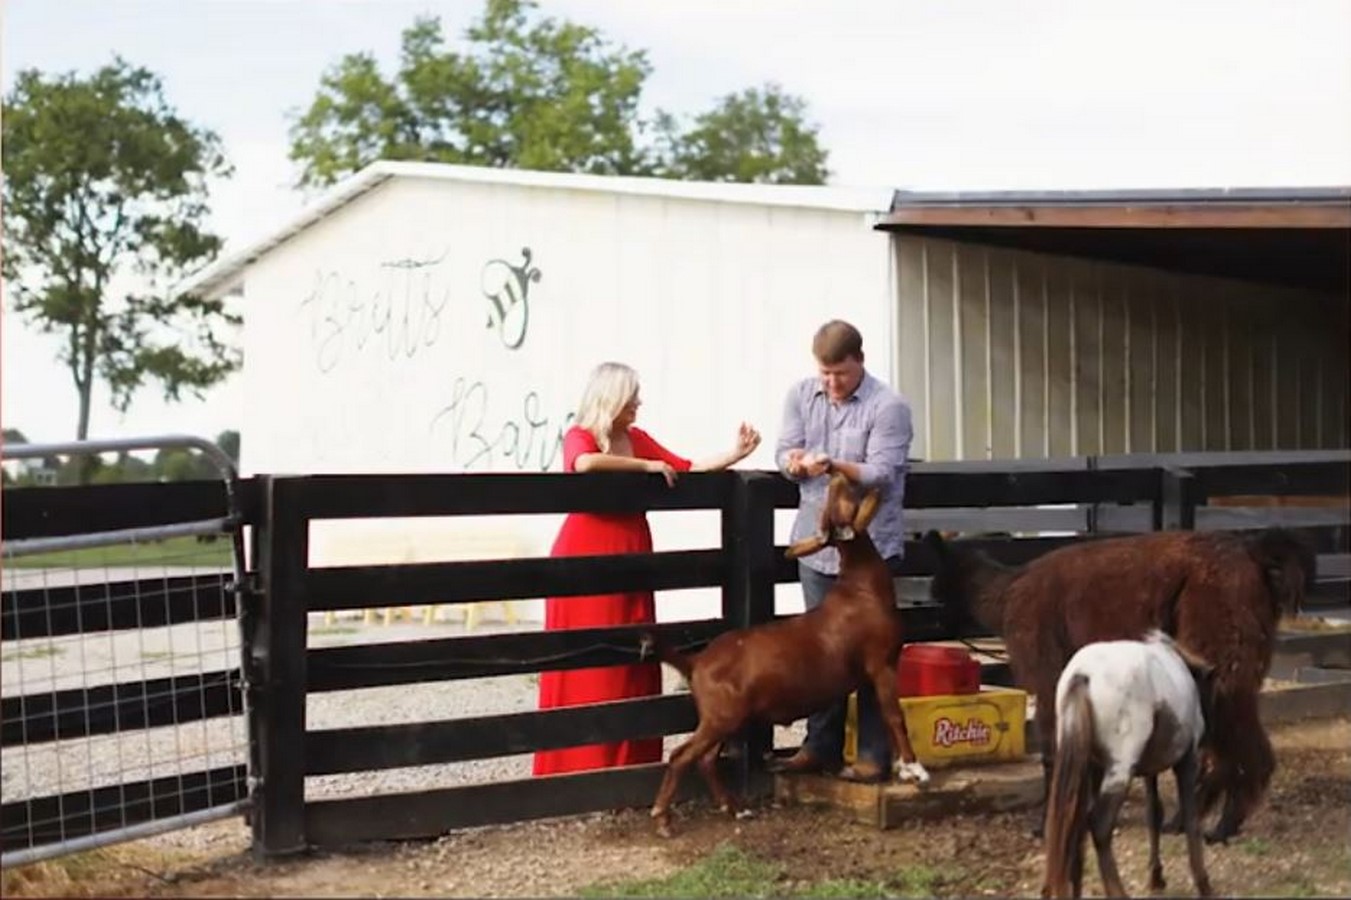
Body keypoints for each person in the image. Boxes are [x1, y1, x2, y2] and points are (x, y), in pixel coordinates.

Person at [533, 361, 762, 776]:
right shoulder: (581, 435)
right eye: (631, 396)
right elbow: (583, 463)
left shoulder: (636, 438)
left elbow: (687, 467)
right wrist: (645, 467)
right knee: (589, 657)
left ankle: (629, 762)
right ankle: (578, 762)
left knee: (632, 653)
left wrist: (735, 454)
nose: (638, 402)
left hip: (633, 549)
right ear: (611, 399)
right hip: (586, 552)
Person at [773, 319, 914, 783]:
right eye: (825, 374)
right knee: (822, 650)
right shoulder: (800, 395)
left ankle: (874, 753)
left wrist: (833, 464)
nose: (832, 383)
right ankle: (821, 745)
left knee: (874, 652)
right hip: (817, 548)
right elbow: (783, 454)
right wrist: (795, 463)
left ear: (860, 362)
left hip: (870, 553)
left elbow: (883, 472)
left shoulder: (888, 406)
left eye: (841, 374)